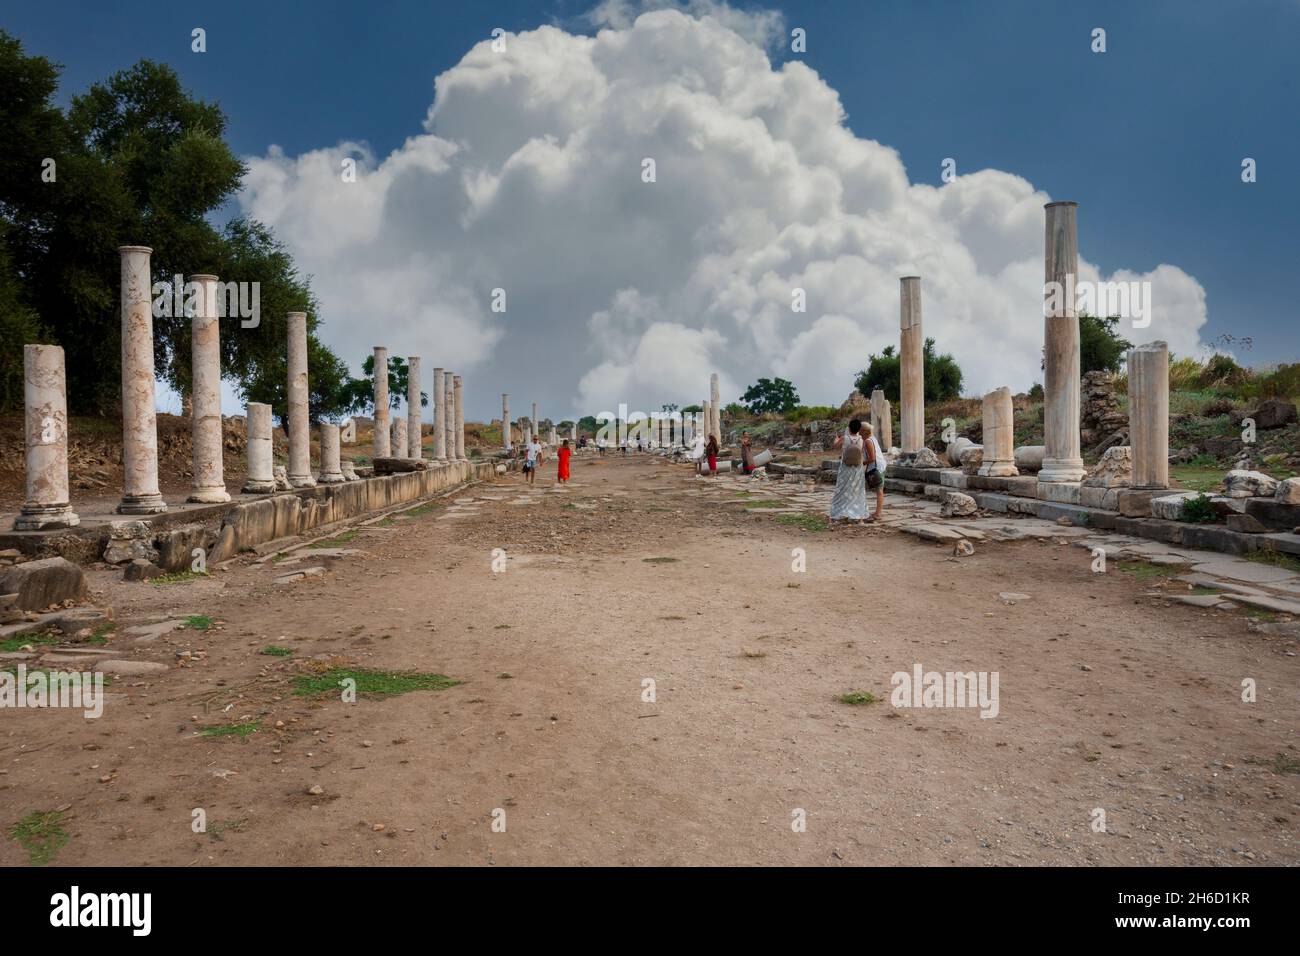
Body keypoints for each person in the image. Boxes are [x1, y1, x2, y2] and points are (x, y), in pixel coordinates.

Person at [829, 419, 870, 524]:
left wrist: (836, 439)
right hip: (857, 468)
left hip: (845, 468)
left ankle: (835, 516)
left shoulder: (844, 438)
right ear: (858, 429)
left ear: (849, 428)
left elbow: (835, 446)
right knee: (857, 491)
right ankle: (859, 516)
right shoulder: (862, 440)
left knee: (841, 490)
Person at [864, 422, 886, 521]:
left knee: (879, 490)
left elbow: (872, 458)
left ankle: (878, 513)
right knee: (878, 490)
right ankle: (877, 512)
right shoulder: (871, 438)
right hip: (878, 466)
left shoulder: (868, 441)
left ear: (864, 431)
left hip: (876, 467)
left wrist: (862, 463)